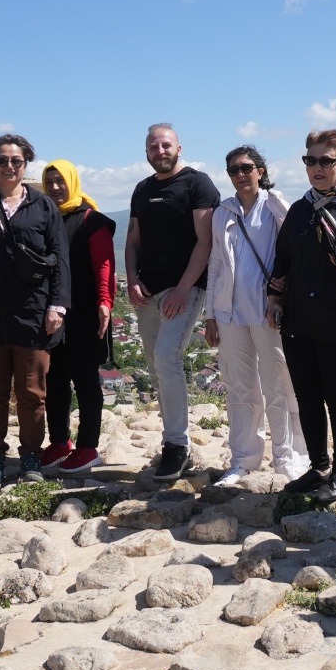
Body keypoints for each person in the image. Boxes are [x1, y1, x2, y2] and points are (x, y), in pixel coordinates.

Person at [269, 130, 336, 505]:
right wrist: (274, 298)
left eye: (325, 161)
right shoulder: (299, 211)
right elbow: (282, 260)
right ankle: (318, 468)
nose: (317, 168)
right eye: (310, 160)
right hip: (298, 318)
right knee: (307, 396)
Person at [0, 134, 70, 491]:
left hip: (34, 312)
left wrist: (57, 306)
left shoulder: (43, 206)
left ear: (26, 165)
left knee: (32, 392)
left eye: (16, 161)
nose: (9, 166)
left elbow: (59, 259)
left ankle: (31, 457)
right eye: (2, 160)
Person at [204, 145, 309, 487]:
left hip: (268, 310)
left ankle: (287, 456)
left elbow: (298, 244)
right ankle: (243, 460)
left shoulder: (275, 204)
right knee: (240, 388)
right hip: (230, 311)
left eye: (246, 167)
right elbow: (216, 262)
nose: (240, 175)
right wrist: (210, 315)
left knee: (279, 383)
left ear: (260, 170)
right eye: (233, 170)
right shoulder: (223, 212)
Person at [125, 123, 220, 481]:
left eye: (166, 145)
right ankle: (171, 442)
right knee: (156, 367)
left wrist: (184, 288)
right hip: (147, 291)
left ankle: (177, 446)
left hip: (184, 288)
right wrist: (131, 280)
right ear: (146, 152)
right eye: (153, 146)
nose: (160, 151)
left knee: (168, 357)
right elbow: (132, 240)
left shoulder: (197, 184)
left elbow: (205, 241)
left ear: (179, 148)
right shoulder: (142, 189)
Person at [40, 159, 117, 476]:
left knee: (85, 381)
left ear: (73, 181)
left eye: (61, 181)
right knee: (55, 379)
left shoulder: (91, 220)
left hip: (86, 313)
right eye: (50, 182)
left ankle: (88, 447)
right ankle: (59, 442)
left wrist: (105, 302)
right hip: (56, 315)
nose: (56, 187)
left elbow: (104, 265)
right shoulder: (47, 220)